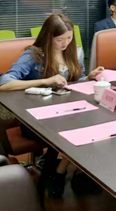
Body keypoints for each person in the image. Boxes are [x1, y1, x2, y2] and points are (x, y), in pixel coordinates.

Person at [0, 14, 105, 198]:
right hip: (35, 118)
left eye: (69, 38)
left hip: (67, 112)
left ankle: (61, 169)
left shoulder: (74, 52)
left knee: (91, 125)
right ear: (49, 37)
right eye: (60, 40)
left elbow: (75, 80)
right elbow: (5, 82)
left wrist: (88, 77)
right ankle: (58, 174)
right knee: (69, 132)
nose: (65, 43)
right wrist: (44, 81)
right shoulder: (34, 55)